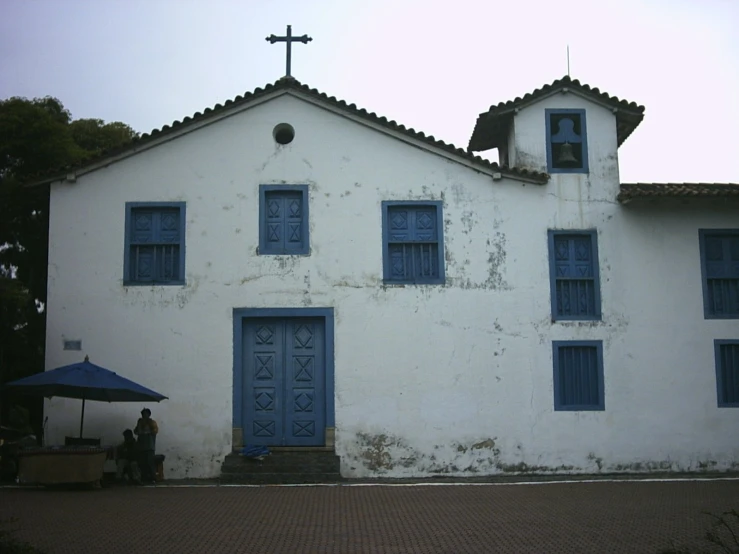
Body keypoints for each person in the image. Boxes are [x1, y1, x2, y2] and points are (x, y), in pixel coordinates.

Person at [134, 408, 159, 484]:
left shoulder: (152, 423)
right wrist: (139, 424)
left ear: (148, 414)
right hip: (141, 447)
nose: (144, 416)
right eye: (143, 414)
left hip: (149, 447)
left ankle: (153, 478)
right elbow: (136, 431)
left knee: (150, 463)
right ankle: (144, 477)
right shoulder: (140, 423)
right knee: (142, 463)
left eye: (145, 414)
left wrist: (146, 426)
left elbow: (154, 431)